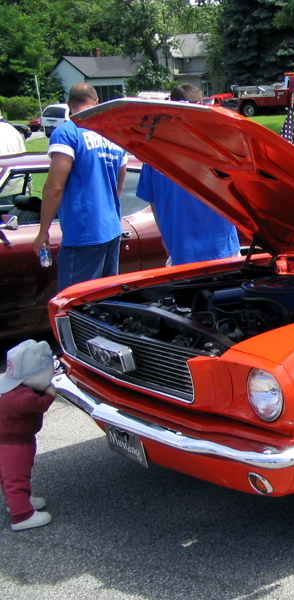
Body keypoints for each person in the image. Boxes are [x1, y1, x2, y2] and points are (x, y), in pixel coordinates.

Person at [33, 83, 128, 292]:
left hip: (83, 232)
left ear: (68, 105)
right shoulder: (113, 134)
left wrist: (43, 231)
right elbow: (119, 186)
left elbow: (54, 187)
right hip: (111, 229)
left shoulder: (67, 132)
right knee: (104, 299)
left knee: (74, 303)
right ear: (96, 103)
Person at [136, 84, 240, 266]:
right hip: (220, 249)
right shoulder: (218, 144)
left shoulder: (154, 148)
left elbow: (153, 201)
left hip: (183, 250)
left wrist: (166, 238)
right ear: (200, 104)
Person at [0, 339, 56, 531]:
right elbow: (41, 403)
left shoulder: (10, 391)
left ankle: (19, 501)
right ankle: (22, 515)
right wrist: (51, 391)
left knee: (8, 477)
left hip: (7, 440)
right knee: (16, 478)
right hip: (15, 444)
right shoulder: (23, 397)